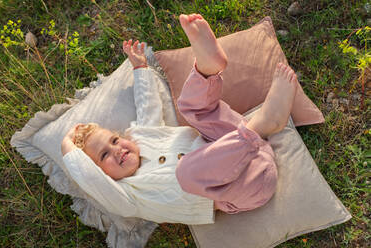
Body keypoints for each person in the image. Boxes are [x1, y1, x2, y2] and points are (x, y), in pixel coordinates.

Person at [61, 14, 297, 224]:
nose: (116, 150)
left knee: (192, 109)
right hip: (244, 186)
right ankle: (264, 123)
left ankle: (208, 69)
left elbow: (148, 106)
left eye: (113, 140)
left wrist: (141, 68)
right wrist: (67, 146)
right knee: (186, 172)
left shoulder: (141, 137)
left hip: (241, 145)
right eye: (104, 156)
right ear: (102, 175)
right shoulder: (124, 196)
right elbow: (87, 176)